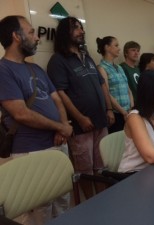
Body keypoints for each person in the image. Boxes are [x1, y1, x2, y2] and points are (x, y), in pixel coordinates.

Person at [0, 15, 73, 225]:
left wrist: (62, 129)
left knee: (62, 204)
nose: (37, 38)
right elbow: (21, 113)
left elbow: (58, 100)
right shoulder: (3, 70)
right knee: (38, 212)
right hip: (31, 150)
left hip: (58, 144)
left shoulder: (36, 69)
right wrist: (60, 126)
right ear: (16, 36)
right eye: (31, 32)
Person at [47, 17, 114, 199]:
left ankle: (103, 200)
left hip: (101, 121)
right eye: (76, 28)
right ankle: (92, 203)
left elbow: (102, 85)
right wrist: (79, 118)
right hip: (81, 126)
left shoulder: (87, 56)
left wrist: (108, 109)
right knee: (85, 170)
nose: (81, 31)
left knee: (101, 167)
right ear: (64, 33)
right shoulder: (58, 60)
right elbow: (60, 93)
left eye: (81, 27)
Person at [96, 36, 134, 133]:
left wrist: (131, 108)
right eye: (116, 45)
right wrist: (123, 112)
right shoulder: (102, 68)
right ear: (107, 47)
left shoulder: (119, 67)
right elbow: (107, 93)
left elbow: (128, 89)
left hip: (128, 112)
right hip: (117, 114)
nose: (119, 48)